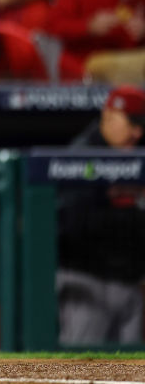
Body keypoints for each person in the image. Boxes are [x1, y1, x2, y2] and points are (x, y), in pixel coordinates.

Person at [58, 86, 145, 345]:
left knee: (131, 373)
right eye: (132, 123)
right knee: (82, 367)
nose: (137, 133)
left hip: (128, 283)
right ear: (109, 116)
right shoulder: (79, 157)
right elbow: (69, 225)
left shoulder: (138, 151)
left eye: (142, 125)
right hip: (87, 282)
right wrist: (133, 216)